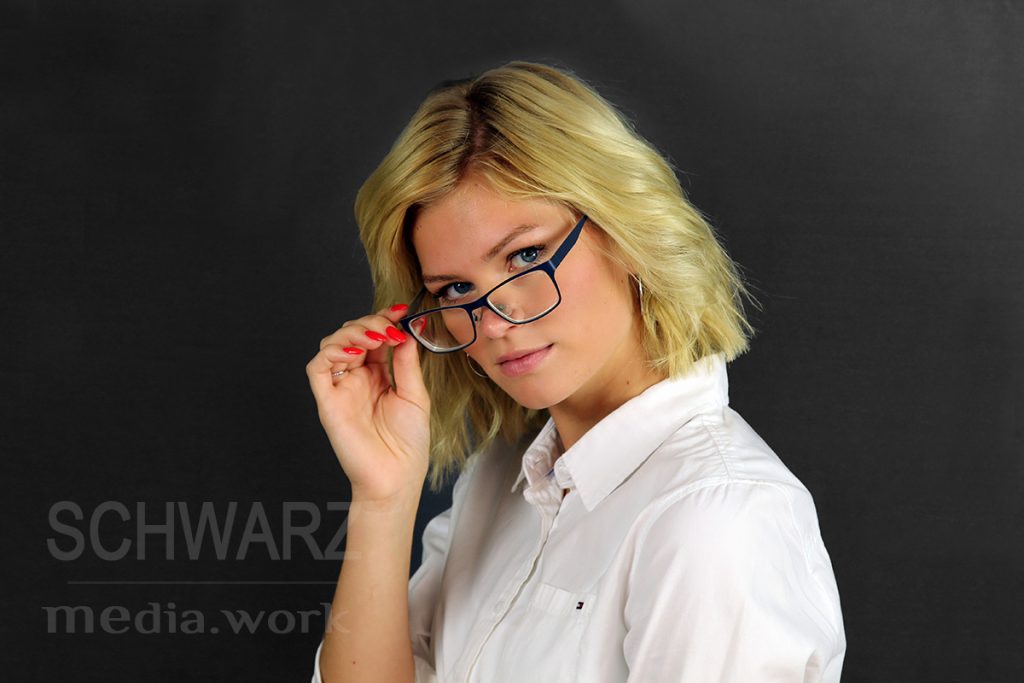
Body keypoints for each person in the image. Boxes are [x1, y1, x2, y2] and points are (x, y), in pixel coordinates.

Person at [305, 61, 846, 682]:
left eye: (525, 255)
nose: (495, 319)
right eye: (455, 288)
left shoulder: (715, 518)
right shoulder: (499, 480)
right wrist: (383, 499)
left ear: (624, 228)